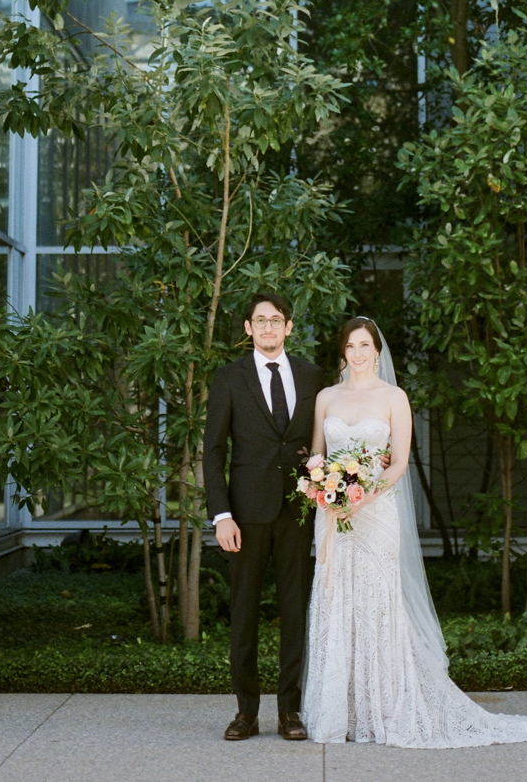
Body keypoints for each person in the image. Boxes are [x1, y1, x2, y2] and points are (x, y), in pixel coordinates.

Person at [301, 316, 527, 748]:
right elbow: (317, 455)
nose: (357, 353)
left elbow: (398, 463)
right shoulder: (325, 397)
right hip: (334, 517)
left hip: (376, 513)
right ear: (343, 351)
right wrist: (322, 485)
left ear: (377, 351)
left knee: (376, 603)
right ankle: (341, 711)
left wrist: (366, 494)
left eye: (364, 345)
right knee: (336, 599)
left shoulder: (395, 397)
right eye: (350, 346)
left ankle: (384, 710)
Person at [202, 292, 322, 742]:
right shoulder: (229, 378)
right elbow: (213, 451)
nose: (268, 328)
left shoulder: (311, 375)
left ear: (289, 327)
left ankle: (290, 713)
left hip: (298, 510)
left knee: (295, 613)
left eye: (276, 320)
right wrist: (221, 516)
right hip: (245, 516)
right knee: (244, 613)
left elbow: (318, 439)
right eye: (260, 321)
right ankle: (245, 713)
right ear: (248, 329)